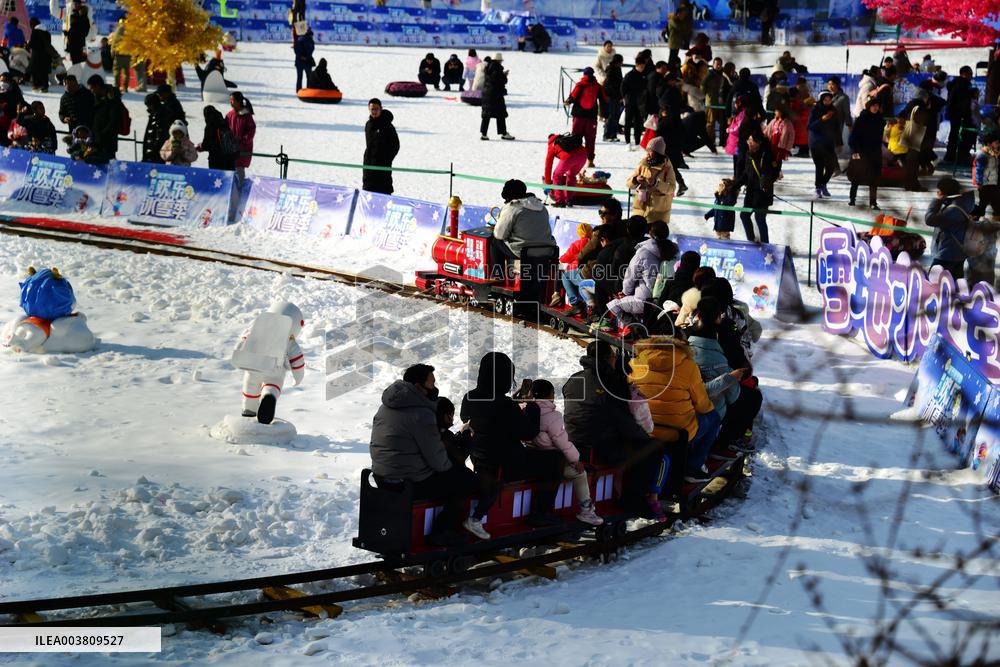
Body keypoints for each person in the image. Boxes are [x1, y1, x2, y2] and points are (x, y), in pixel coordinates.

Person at [563, 340, 678, 519]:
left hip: (574, 440)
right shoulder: (610, 383)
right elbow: (624, 422)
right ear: (610, 358)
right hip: (600, 445)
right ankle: (633, 498)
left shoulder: (574, 379)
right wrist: (644, 438)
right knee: (652, 450)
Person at [370, 364, 481, 545]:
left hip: (381, 475)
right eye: (431, 383)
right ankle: (442, 531)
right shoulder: (421, 413)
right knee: (462, 482)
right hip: (407, 480)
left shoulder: (386, 406)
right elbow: (439, 462)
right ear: (418, 386)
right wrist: (456, 467)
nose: (434, 388)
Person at [461, 352, 545, 531]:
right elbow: (528, 432)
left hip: (480, 459)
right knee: (553, 462)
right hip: (507, 464)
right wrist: (532, 406)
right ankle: (541, 513)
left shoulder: (469, 397)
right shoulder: (506, 406)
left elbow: (482, 415)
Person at [629, 334, 720, 485]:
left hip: (643, 427)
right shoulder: (689, 366)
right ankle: (693, 467)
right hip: (677, 432)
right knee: (713, 418)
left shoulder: (635, 363)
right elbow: (702, 404)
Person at [523, 379, 603, 526]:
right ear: (549, 395)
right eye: (553, 393)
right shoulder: (552, 416)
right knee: (580, 473)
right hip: (552, 461)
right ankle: (586, 510)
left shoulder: (526, 409)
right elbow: (562, 442)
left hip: (532, 457)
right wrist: (575, 460)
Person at [687, 296, 761, 450]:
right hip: (706, 402)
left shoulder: (684, 337)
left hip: (682, 397)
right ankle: (726, 442)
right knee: (752, 397)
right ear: (719, 316)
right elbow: (731, 395)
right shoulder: (721, 339)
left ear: (698, 314)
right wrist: (734, 376)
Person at [606, 220, 678, 328]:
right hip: (664, 299)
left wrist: (625, 292)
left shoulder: (644, 252)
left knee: (613, 305)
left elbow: (630, 276)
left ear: (650, 233)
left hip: (645, 300)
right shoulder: (673, 251)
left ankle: (637, 329)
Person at [925, 177, 980, 278]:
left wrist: (937, 201)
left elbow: (929, 219)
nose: (937, 192)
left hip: (947, 253)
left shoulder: (953, 210)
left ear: (945, 193)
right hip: (958, 251)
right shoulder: (962, 203)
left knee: (933, 283)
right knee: (955, 284)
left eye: (939, 190)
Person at [493, 178, 556, 261]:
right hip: (548, 250)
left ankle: (497, 273)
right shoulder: (541, 207)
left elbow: (499, 234)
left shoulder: (512, 207)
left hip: (525, 252)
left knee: (495, 241)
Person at [733, 132, 777, 244]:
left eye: (752, 140)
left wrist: (766, 181)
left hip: (762, 193)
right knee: (744, 215)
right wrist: (735, 186)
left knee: (760, 219)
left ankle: (766, 245)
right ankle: (751, 241)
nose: (749, 142)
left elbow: (771, 174)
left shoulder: (765, 155)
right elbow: (746, 174)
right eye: (749, 140)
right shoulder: (749, 154)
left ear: (759, 143)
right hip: (751, 192)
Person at [626, 136, 676, 224]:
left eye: (650, 152)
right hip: (639, 212)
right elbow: (628, 184)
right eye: (647, 151)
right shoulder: (643, 164)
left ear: (658, 153)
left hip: (658, 216)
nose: (647, 154)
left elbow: (671, 188)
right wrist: (636, 180)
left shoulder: (667, 168)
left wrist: (656, 183)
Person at [847, 98, 885, 209]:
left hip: (875, 153)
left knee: (874, 178)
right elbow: (853, 137)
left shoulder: (880, 120)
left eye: (877, 105)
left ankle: (873, 202)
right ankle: (852, 199)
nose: (875, 107)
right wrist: (854, 151)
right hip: (861, 151)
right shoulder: (861, 119)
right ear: (869, 106)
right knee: (856, 177)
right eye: (873, 105)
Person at [565, 67, 604, 167]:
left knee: (575, 138)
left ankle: (574, 159)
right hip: (591, 117)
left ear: (584, 74)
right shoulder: (597, 86)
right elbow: (604, 99)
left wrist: (568, 101)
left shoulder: (580, 85)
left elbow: (573, 96)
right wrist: (605, 114)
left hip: (578, 116)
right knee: (590, 140)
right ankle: (590, 161)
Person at [362, 98, 399, 195]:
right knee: (368, 190)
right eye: (372, 109)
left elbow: (396, 145)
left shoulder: (387, 125)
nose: (374, 111)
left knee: (383, 190)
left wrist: (386, 159)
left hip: (382, 165)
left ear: (381, 109)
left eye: (376, 109)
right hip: (369, 164)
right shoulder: (368, 124)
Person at [808, 91, 839, 199]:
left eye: (829, 100)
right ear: (821, 100)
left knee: (831, 166)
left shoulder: (833, 110)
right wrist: (822, 119)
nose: (828, 102)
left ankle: (823, 184)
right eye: (825, 100)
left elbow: (836, 127)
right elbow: (810, 126)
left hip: (828, 143)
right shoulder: (815, 110)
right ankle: (817, 188)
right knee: (820, 166)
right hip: (816, 143)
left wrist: (839, 142)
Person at [543, 132, 588, 208]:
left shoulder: (552, 145)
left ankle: (559, 201)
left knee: (556, 175)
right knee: (571, 175)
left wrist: (547, 182)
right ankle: (569, 200)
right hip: (583, 156)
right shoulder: (565, 138)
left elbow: (548, 165)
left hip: (569, 157)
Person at [227, 91, 256, 195]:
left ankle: (240, 194)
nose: (231, 102)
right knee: (230, 172)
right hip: (230, 150)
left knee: (239, 171)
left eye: (233, 100)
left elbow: (251, 131)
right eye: (230, 100)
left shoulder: (246, 116)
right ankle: (231, 194)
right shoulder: (229, 115)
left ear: (239, 102)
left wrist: (242, 141)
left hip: (242, 150)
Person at [945, 66, 975, 164]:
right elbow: (960, 101)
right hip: (959, 114)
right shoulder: (960, 84)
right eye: (970, 74)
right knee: (957, 135)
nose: (971, 76)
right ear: (964, 74)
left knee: (954, 135)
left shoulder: (959, 84)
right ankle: (956, 156)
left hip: (956, 114)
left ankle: (952, 155)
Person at [481, 53, 514, 140]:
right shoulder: (497, 69)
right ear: (499, 60)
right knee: (501, 114)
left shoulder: (488, 68)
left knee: (486, 115)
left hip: (486, 94)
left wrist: (501, 74)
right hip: (495, 95)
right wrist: (504, 76)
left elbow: (493, 79)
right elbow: (500, 81)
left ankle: (484, 134)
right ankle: (503, 133)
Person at [89, 76, 121, 163]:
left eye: (92, 88)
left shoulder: (113, 99)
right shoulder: (96, 98)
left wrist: (101, 134)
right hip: (97, 141)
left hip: (108, 142)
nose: (91, 91)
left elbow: (113, 121)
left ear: (97, 86)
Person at [197, 105, 237, 171]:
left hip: (216, 160)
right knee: (228, 179)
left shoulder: (210, 126)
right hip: (229, 158)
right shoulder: (224, 122)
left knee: (217, 180)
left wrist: (201, 146)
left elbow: (206, 145)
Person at [621, 57, 649, 150]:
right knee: (628, 122)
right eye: (640, 66)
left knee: (638, 123)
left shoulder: (644, 75)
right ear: (636, 65)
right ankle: (628, 142)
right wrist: (625, 98)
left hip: (640, 103)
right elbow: (623, 88)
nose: (642, 68)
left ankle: (637, 142)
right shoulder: (629, 75)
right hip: (630, 102)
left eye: (643, 66)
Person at [601, 53, 624, 142]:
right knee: (610, 116)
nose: (621, 64)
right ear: (617, 62)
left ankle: (613, 134)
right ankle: (607, 135)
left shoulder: (617, 69)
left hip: (616, 96)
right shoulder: (611, 70)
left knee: (615, 116)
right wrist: (617, 95)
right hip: (611, 96)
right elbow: (610, 85)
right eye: (621, 62)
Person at [826, 76, 852, 153]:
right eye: (829, 84)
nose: (830, 86)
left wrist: (849, 125)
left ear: (838, 85)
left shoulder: (843, 98)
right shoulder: (825, 96)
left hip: (836, 127)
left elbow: (847, 113)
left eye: (832, 84)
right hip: (824, 126)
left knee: (834, 149)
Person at [26, 18, 52, 93]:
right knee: (44, 71)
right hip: (46, 55)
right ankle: (45, 87)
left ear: (32, 25)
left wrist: (27, 46)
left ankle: (36, 86)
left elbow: (32, 43)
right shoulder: (47, 32)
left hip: (37, 55)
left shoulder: (35, 32)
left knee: (35, 71)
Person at [140, 94, 163, 164]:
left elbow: (159, 136)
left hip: (156, 155)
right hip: (150, 153)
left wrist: (153, 151)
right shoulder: (154, 114)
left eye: (148, 105)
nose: (148, 108)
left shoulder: (160, 115)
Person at [110, 20, 130, 94]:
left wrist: (112, 51)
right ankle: (125, 87)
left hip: (119, 54)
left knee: (117, 71)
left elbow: (115, 40)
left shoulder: (120, 29)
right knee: (126, 72)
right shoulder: (130, 29)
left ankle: (117, 86)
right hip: (128, 54)